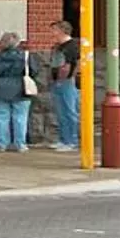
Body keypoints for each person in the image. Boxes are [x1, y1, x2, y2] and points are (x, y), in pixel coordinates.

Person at [0, 32, 32, 153]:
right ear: (17, 43)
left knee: (1, 117)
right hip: (20, 89)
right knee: (21, 117)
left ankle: (2, 144)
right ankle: (20, 144)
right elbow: (34, 71)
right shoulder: (24, 56)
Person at [44, 20, 81, 152]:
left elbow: (73, 65)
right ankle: (63, 139)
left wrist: (64, 78)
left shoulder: (71, 46)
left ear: (62, 31)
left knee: (69, 111)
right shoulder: (58, 46)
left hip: (67, 82)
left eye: (54, 30)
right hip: (58, 81)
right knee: (61, 112)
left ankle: (72, 140)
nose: (52, 33)